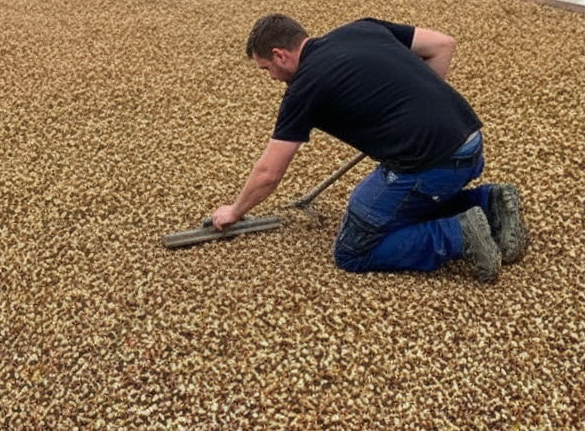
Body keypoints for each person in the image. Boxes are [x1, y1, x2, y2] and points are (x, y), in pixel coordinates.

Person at [211, 14, 530, 282]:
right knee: (404, 204)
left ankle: (457, 235)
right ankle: (489, 202)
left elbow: (270, 172)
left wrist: (236, 211)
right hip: (470, 142)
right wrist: (411, 109)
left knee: (353, 250)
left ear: (280, 54)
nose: (271, 77)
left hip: (435, 165)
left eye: (267, 68)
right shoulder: (361, 28)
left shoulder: (303, 88)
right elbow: (442, 45)